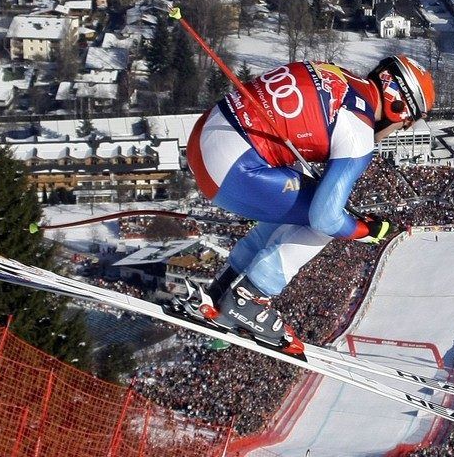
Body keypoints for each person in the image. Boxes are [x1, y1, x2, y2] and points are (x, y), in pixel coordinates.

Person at [178, 56, 436, 353]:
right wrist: (362, 229)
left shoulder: (336, 73)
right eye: (405, 124)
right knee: (327, 223)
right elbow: (325, 217)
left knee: (302, 195)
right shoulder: (358, 132)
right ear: (397, 107)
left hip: (204, 135)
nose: (398, 130)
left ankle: (225, 289)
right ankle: (249, 299)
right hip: (229, 168)